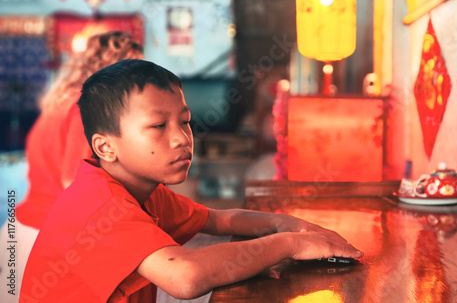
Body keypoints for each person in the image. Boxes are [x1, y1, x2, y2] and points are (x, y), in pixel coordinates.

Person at [20, 59, 363, 302]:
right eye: (159, 126)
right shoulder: (99, 205)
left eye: (184, 122)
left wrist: (284, 222)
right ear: (105, 147)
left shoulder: (143, 188)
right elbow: (185, 277)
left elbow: (214, 219)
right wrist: (291, 244)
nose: (182, 138)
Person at [0, 32, 143, 301]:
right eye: (134, 70)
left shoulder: (63, 98)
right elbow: (74, 181)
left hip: (24, 228)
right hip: (43, 235)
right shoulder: (85, 109)